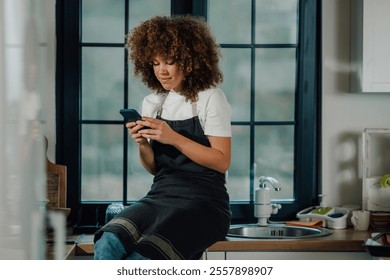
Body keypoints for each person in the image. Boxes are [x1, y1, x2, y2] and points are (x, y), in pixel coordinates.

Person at [93, 15, 232, 260]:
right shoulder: (153, 102)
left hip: (205, 203)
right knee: (108, 241)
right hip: (160, 196)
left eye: (169, 62)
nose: (162, 71)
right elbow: (153, 168)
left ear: (190, 61)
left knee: (143, 258)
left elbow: (221, 161)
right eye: (156, 63)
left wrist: (173, 137)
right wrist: (142, 143)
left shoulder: (211, 97)